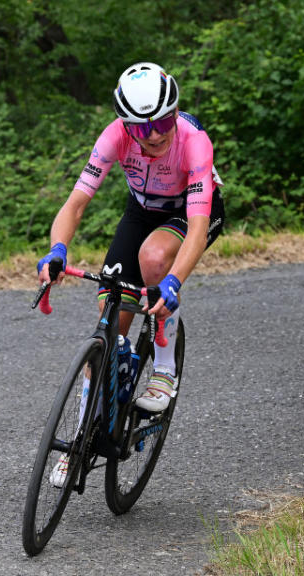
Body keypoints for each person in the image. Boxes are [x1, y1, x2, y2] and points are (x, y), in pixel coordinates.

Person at [38, 60, 224, 419]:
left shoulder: (194, 142)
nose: (155, 135)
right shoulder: (113, 137)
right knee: (108, 327)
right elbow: (76, 204)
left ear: (176, 112)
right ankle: (82, 436)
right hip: (142, 210)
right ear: (126, 126)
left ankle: (165, 370)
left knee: (154, 259)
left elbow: (198, 229)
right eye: (142, 128)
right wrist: (56, 251)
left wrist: (173, 281)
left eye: (164, 122)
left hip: (191, 210)